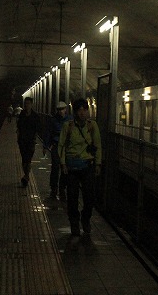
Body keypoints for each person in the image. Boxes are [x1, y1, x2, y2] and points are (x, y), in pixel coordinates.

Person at [58, 98, 101, 238]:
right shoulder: (68, 126)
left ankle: (85, 218)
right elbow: (62, 145)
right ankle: (74, 222)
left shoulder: (92, 126)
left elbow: (98, 146)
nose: (82, 113)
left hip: (87, 165)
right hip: (72, 167)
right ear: (75, 112)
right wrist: (63, 163)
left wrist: (98, 163)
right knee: (72, 197)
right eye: (79, 110)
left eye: (85, 110)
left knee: (90, 197)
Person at [43, 101, 72, 200]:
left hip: (67, 147)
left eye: (62, 109)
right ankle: (54, 188)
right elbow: (48, 132)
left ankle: (62, 188)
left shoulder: (70, 120)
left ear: (65, 109)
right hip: (56, 145)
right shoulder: (53, 120)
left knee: (65, 168)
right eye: (59, 110)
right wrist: (45, 145)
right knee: (55, 167)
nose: (61, 111)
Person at [16, 97, 40, 187]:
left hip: (31, 141)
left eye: (28, 103)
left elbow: (38, 128)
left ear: (31, 104)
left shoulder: (35, 116)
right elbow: (18, 126)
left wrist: (34, 138)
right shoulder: (21, 114)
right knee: (24, 160)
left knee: (28, 160)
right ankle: (26, 176)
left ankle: (26, 176)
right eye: (25, 103)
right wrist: (18, 138)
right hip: (22, 140)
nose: (26, 105)